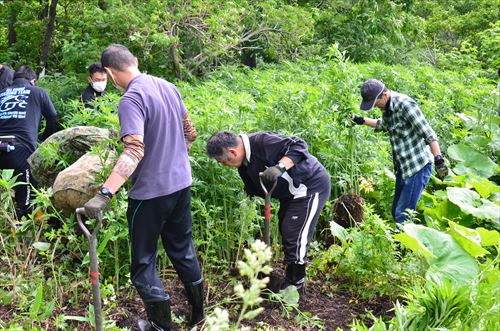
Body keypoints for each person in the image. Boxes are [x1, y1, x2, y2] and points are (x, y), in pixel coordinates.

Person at [82, 44, 201, 331]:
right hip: (181, 184)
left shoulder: (131, 99)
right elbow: (191, 133)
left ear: (109, 73)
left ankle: (161, 327)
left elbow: (133, 151)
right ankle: (198, 316)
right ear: (135, 61)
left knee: (143, 264)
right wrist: (172, 157)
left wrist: (105, 193)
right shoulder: (168, 86)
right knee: (183, 250)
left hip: (150, 194)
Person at [206, 131, 331, 292]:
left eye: (223, 161)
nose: (224, 165)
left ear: (233, 152)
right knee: (286, 231)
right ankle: (286, 279)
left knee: (294, 234)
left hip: (310, 186)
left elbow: (299, 145)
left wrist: (280, 167)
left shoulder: (262, 142)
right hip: (290, 195)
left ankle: (295, 285)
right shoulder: (244, 163)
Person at [353, 79, 448, 226]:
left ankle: (407, 247)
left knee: (403, 214)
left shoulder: (405, 105)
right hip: (403, 168)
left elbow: (429, 133)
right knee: (395, 211)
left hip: (418, 167)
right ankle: (403, 243)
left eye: (376, 103)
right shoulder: (386, 107)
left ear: (384, 95)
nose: (375, 106)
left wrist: (439, 160)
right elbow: (383, 125)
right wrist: (362, 120)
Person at [0, 65, 58, 219]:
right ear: (33, 80)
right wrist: (43, 140)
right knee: (25, 202)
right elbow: (52, 118)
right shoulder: (38, 92)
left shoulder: (2, 93)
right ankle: (24, 235)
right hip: (22, 151)